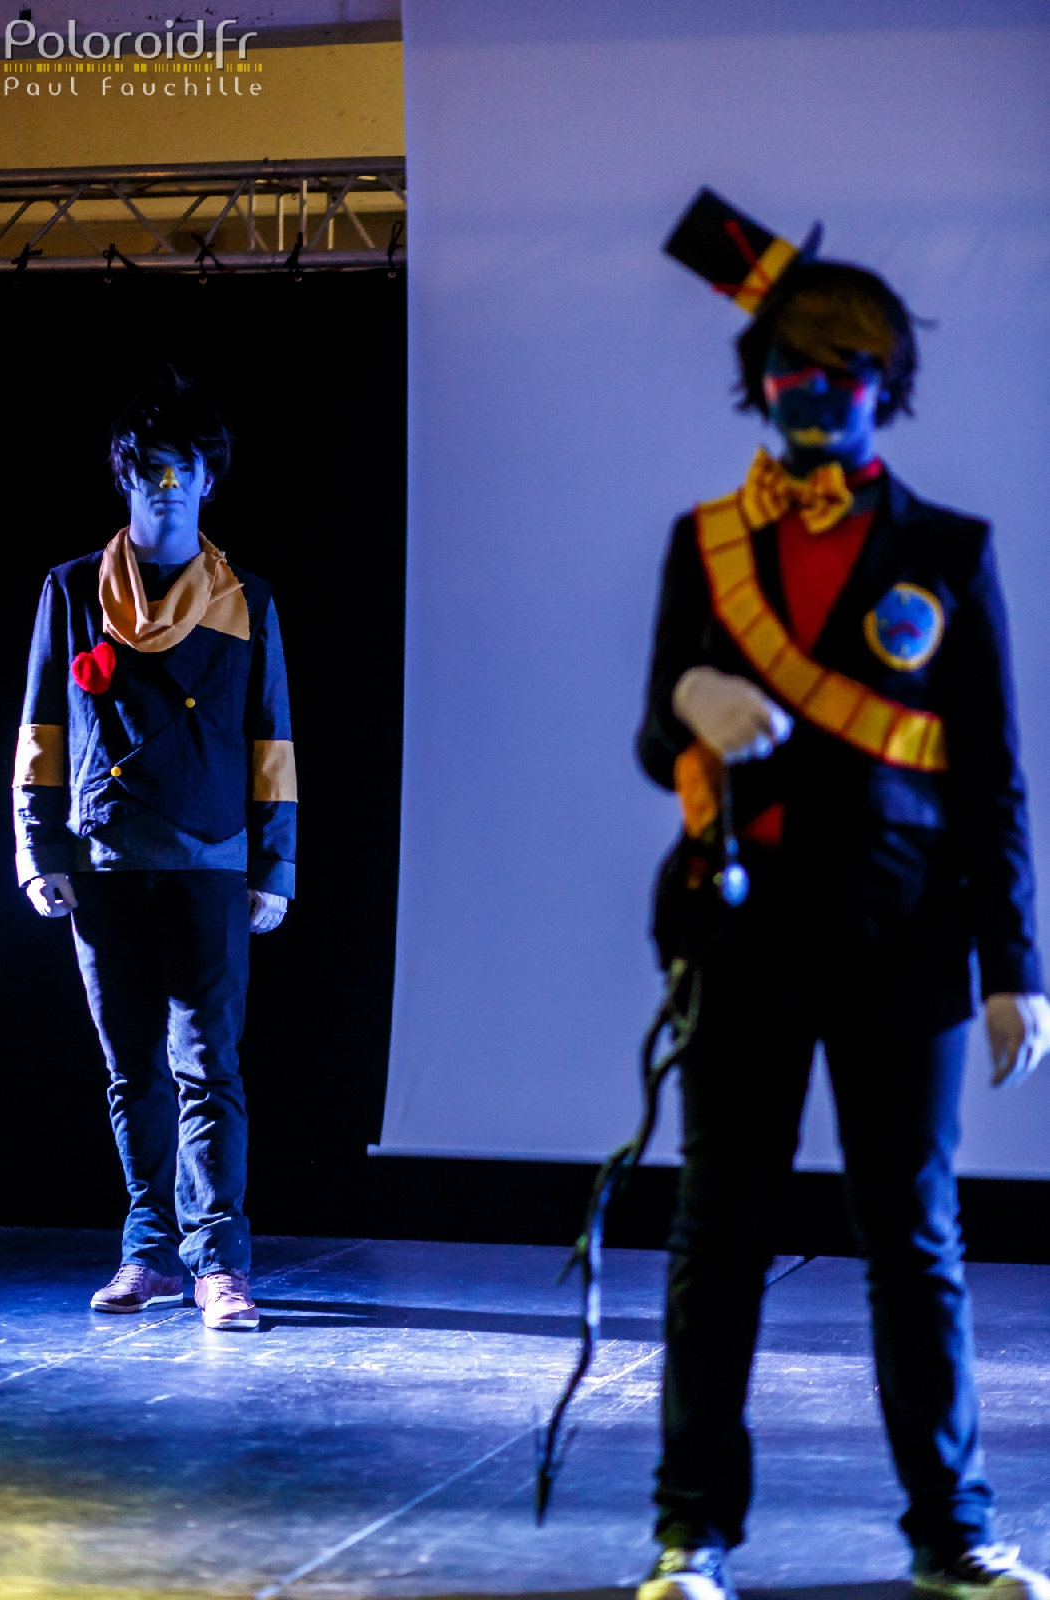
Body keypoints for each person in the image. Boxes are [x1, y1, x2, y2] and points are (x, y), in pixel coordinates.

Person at [635, 192, 1050, 1600]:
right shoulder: (701, 544)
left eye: (841, 372)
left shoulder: (949, 553)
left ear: (886, 385)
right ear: (756, 381)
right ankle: (689, 1533)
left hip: (905, 945)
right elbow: (647, 735)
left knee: (914, 1249)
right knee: (716, 1241)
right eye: (788, 370)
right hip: (740, 931)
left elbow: (990, 775)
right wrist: (685, 701)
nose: (811, 395)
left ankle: (952, 1533)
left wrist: (1014, 965)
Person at [13, 371, 296, 1332]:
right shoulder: (71, 592)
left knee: (206, 1065)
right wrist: (37, 848)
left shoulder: (248, 600)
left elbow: (272, 740)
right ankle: (148, 1252)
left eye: (184, 469)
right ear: (126, 480)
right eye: (150, 471)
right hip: (104, 858)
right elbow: (42, 728)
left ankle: (219, 1263)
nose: (167, 488)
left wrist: (276, 866)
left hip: (211, 858)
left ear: (209, 479)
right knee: (131, 1068)